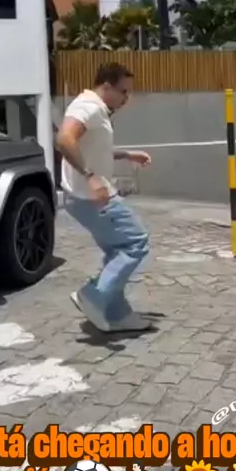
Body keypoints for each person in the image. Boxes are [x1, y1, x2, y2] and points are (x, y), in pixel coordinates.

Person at [56, 62, 152, 333]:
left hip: (82, 196)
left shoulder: (92, 107)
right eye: (123, 91)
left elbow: (92, 148)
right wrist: (91, 176)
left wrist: (127, 155)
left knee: (117, 250)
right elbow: (64, 140)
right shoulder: (90, 107)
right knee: (135, 242)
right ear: (107, 86)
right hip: (92, 196)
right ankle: (93, 295)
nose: (126, 99)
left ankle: (117, 314)